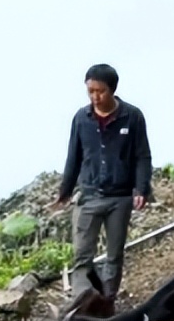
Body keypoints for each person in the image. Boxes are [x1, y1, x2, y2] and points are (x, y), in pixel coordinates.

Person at [52, 63, 152, 302]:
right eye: (91, 92)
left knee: (114, 255)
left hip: (120, 197)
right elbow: (73, 157)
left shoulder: (132, 117)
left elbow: (142, 156)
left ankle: (107, 301)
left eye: (101, 91)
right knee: (82, 255)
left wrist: (141, 188)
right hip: (89, 196)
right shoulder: (81, 119)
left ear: (112, 90)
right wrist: (64, 192)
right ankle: (81, 303)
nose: (96, 97)